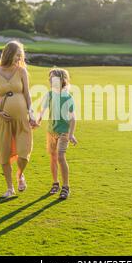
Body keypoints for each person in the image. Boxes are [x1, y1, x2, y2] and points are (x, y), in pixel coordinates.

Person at [0, 41, 37, 199]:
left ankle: (20, 174)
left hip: (22, 119)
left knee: (24, 153)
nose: (20, 58)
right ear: (8, 54)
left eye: (21, 55)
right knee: (5, 154)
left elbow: (27, 94)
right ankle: (10, 189)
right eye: (17, 55)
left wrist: (32, 113)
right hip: (3, 121)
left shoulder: (21, 71)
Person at [37, 68, 78, 200]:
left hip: (63, 132)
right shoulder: (49, 95)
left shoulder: (68, 97)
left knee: (61, 157)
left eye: (53, 77)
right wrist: (36, 120)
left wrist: (71, 134)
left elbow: (73, 118)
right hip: (51, 131)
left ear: (62, 80)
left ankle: (66, 187)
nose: (50, 80)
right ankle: (55, 183)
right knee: (53, 158)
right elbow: (42, 111)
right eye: (49, 77)